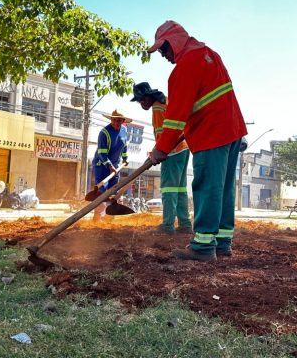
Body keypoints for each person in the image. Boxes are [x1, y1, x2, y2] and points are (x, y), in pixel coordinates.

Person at [147, 21, 247, 262]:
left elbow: (175, 119)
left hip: (211, 134)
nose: (163, 55)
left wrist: (160, 149)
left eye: (163, 49)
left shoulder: (184, 68)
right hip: (232, 132)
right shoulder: (210, 55)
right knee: (222, 189)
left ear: (175, 42)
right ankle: (222, 243)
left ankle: (203, 246)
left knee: (207, 187)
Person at [131, 82, 193, 235]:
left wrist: (157, 152)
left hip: (172, 150)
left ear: (148, 96)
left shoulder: (158, 107)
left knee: (169, 188)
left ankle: (167, 225)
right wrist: (154, 152)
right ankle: (185, 224)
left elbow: (162, 134)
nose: (141, 104)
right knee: (180, 189)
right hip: (183, 148)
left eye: (141, 100)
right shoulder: (165, 101)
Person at [92, 110, 130, 222]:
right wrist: (109, 166)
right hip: (102, 166)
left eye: (119, 120)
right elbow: (102, 153)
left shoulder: (124, 130)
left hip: (115, 166)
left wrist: (124, 158)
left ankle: (110, 219)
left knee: (114, 192)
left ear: (123, 121)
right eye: (114, 120)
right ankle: (97, 219)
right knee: (102, 193)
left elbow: (124, 146)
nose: (116, 123)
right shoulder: (104, 133)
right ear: (111, 120)